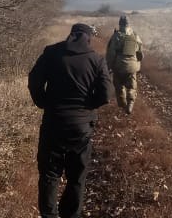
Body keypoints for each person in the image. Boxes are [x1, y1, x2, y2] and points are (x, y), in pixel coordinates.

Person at [28, 23, 111, 218]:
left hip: (53, 122)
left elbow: (34, 80)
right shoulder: (96, 60)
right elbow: (106, 94)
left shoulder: (51, 53)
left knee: (49, 174)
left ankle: (49, 215)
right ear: (88, 38)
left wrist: (43, 102)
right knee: (76, 177)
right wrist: (88, 106)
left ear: (71, 35)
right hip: (81, 128)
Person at [105, 14, 144, 114]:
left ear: (120, 24)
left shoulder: (116, 36)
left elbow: (111, 54)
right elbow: (140, 54)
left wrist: (109, 67)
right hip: (132, 67)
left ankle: (122, 105)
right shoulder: (135, 35)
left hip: (119, 66)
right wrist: (137, 63)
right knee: (131, 86)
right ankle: (130, 103)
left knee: (119, 85)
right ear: (128, 24)